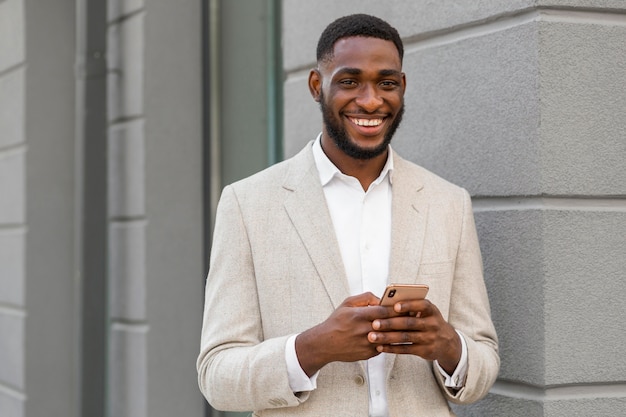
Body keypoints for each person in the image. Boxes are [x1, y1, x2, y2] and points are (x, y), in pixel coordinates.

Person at [197, 13, 499, 417]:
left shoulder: (448, 203)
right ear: (316, 86)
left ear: (402, 88)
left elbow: (484, 360)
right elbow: (217, 377)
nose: (371, 100)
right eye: (350, 81)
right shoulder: (248, 204)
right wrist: (312, 348)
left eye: (386, 83)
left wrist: (447, 345)